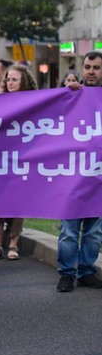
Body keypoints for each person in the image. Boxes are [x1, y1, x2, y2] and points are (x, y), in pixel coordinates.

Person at [55, 51, 102, 292]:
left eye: (96, 67)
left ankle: (86, 271)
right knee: (69, 232)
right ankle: (66, 273)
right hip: (72, 177)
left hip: (98, 179)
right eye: (87, 67)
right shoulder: (70, 96)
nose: (91, 71)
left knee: (94, 232)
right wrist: (68, 93)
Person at [0, 65, 37, 262]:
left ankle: (13, 245)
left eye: (14, 79)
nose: (10, 82)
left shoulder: (36, 102)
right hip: (0, 159)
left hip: (23, 159)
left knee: (18, 205)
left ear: (24, 81)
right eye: (8, 79)